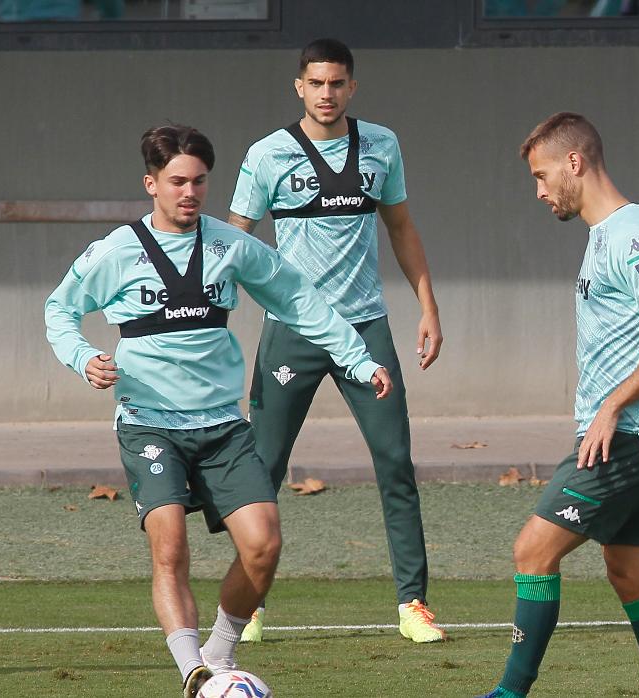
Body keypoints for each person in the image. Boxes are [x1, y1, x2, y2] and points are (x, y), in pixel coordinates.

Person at [44, 125, 391, 697]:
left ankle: (218, 656)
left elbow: (299, 300)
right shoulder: (117, 251)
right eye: (177, 181)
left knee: (263, 545)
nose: (190, 192)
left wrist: (356, 359)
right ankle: (193, 674)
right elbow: (60, 309)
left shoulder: (231, 245)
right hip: (149, 423)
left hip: (223, 426)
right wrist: (83, 357)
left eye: (199, 180)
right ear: (151, 183)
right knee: (171, 546)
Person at [227, 37, 446, 643]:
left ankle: (413, 605)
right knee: (261, 470)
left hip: (365, 328)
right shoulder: (267, 156)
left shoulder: (382, 145)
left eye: (337, 83)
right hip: (291, 332)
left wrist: (427, 307)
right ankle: (248, 606)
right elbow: (233, 238)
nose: (327, 94)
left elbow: (401, 228)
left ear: (353, 86)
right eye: (316, 83)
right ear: (299, 86)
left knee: (396, 462)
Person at [476, 112, 639, 698]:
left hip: (627, 435)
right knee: (630, 572)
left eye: (543, 175)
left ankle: (509, 695)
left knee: (532, 549)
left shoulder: (633, 234)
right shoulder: (605, 235)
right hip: (620, 432)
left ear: (575, 162)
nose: (539, 191)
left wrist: (612, 406)